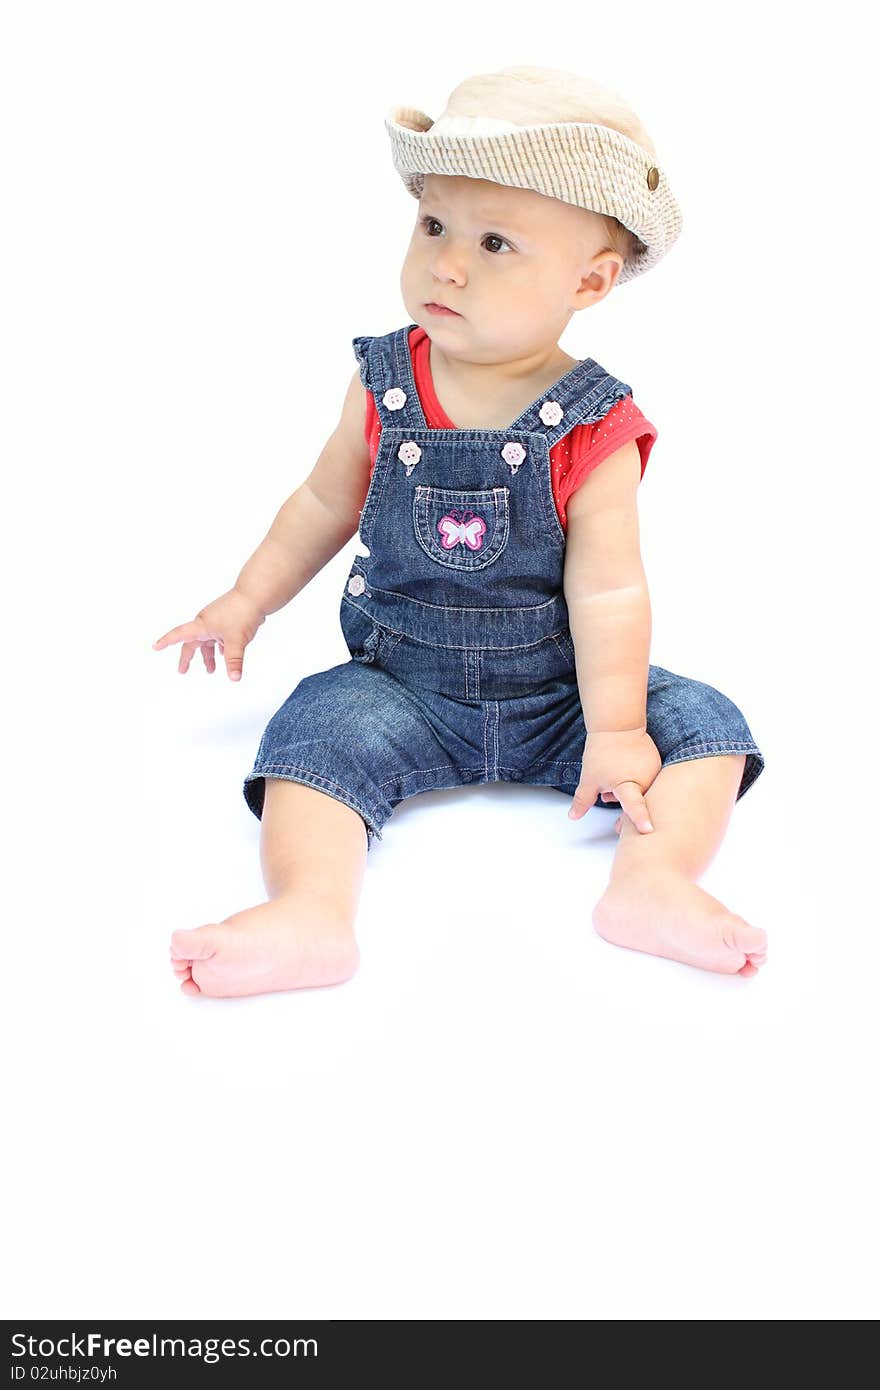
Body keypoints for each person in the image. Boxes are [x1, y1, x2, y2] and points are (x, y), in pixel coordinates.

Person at [153, 65, 767, 999]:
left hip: (560, 693)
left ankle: (653, 882)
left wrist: (615, 728)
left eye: (495, 242)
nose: (447, 263)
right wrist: (245, 602)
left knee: (705, 726)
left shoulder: (593, 423)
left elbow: (609, 589)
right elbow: (322, 504)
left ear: (591, 282)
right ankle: (312, 910)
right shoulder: (386, 377)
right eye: (433, 225)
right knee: (310, 738)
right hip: (402, 688)